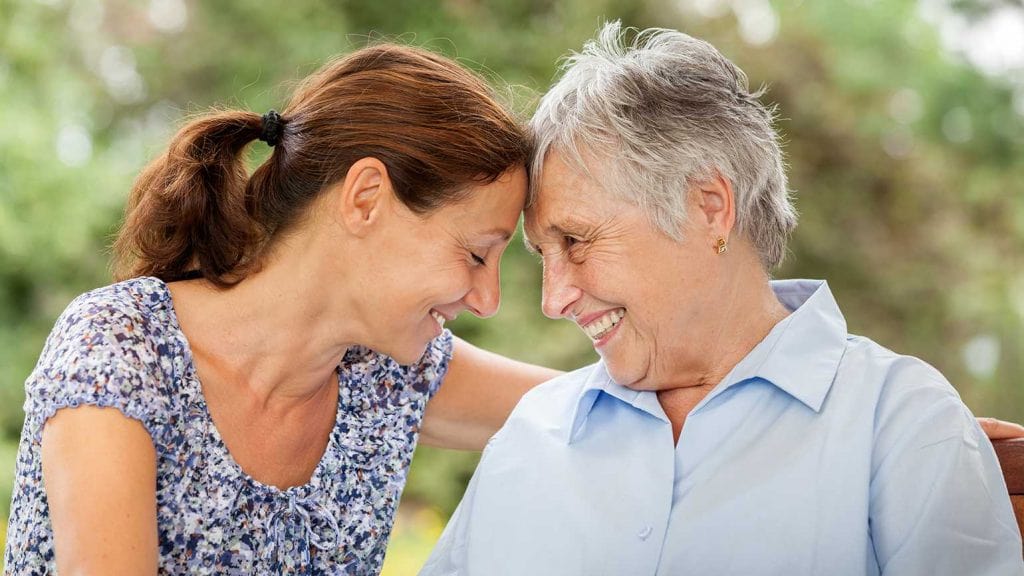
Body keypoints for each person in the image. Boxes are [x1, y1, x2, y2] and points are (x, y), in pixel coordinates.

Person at [421, 23, 1024, 576]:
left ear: (710, 208)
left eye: (576, 241)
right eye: (541, 256)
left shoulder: (900, 423)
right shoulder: (533, 430)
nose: (553, 299)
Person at [3, 43, 558, 575]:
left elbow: (601, 410)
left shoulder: (389, 375)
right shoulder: (122, 348)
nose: (488, 301)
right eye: (476, 254)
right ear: (365, 199)